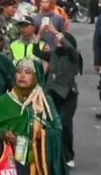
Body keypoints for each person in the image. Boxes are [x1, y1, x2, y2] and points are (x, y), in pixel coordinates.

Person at [35, 30, 82, 167]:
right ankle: (52, 153)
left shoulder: (74, 56)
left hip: (68, 95)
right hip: (52, 93)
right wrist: (39, 35)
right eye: (56, 40)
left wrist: (57, 33)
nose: (57, 41)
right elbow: (36, 52)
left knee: (65, 124)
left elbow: (70, 48)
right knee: (50, 124)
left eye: (60, 40)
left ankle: (68, 156)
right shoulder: (53, 54)